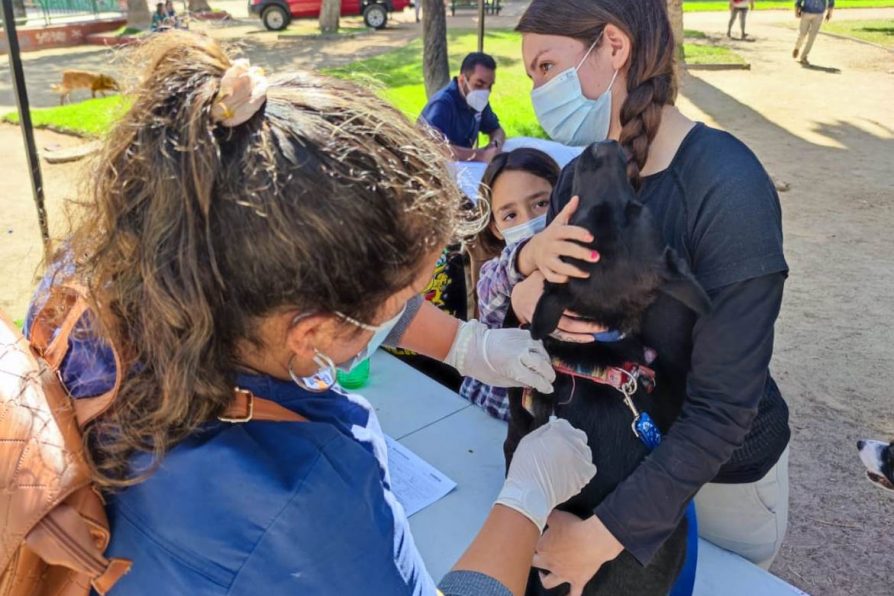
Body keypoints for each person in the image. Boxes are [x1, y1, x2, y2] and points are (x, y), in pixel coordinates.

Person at [24, 32, 599, 595]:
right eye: (402, 298)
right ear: (311, 331)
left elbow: (321, 287)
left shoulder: (105, 275)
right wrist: (524, 500)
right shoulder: (308, 499)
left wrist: (462, 345)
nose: (408, 310)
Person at [502, 0, 791, 591]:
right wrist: (529, 282)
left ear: (613, 45)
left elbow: (722, 410)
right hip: (614, 463)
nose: (537, 89)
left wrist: (600, 536)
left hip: (717, 478)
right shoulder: (579, 176)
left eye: (545, 66)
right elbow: (557, 315)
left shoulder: (727, 189)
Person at [461, 148, 560, 420]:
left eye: (540, 204)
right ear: (495, 227)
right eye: (510, 215)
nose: (528, 221)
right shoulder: (494, 275)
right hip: (478, 415)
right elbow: (496, 285)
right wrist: (531, 254)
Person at [419, 52, 507, 163]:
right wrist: (480, 155)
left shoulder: (479, 102)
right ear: (461, 80)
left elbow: (497, 129)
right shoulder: (442, 104)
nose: (485, 92)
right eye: (479, 85)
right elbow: (433, 146)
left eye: (490, 86)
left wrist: (495, 145)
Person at [793, 0, 834, 65]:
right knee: (802, 34)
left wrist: (829, 13)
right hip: (806, 13)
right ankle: (797, 47)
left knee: (812, 37)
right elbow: (798, 1)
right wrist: (796, 11)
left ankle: (804, 57)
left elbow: (831, 2)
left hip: (819, 15)